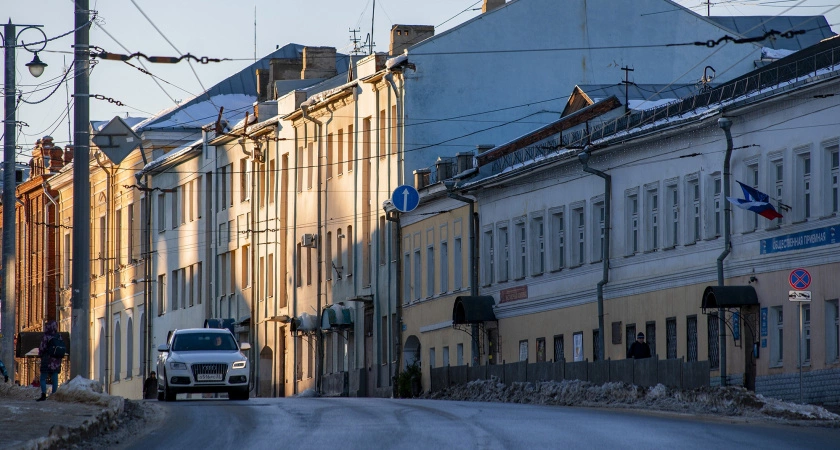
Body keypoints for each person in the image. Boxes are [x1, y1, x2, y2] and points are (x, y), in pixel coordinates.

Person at [37, 320, 62, 401]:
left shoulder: (46, 336)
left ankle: (43, 394)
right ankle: (54, 394)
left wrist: (40, 354)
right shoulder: (59, 336)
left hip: (47, 359)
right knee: (55, 377)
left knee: (43, 377)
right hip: (57, 360)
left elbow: (42, 347)